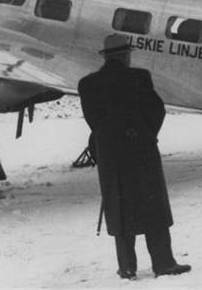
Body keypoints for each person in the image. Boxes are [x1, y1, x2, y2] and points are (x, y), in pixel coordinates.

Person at [78, 34, 191, 280]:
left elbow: (93, 120)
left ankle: (127, 267)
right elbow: (156, 109)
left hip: (111, 157)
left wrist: (108, 140)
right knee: (153, 206)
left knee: (119, 207)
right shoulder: (139, 78)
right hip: (141, 151)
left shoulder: (87, 84)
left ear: (107, 56)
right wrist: (146, 134)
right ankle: (163, 263)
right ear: (125, 55)